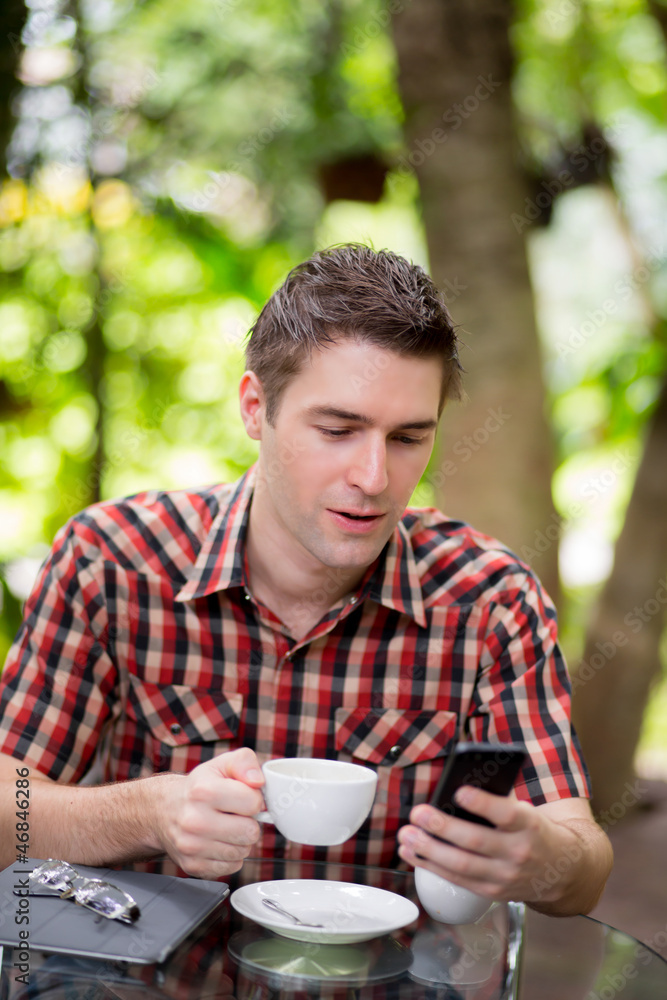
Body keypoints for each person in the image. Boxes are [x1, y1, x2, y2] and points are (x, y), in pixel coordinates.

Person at [0, 244, 611, 916]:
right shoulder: (111, 562)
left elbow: (581, 865)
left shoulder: (490, 599)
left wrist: (541, 859)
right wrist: (147, 812)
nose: (373, 479)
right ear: (255, 409)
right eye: (338, 429)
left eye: (407, 438)